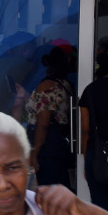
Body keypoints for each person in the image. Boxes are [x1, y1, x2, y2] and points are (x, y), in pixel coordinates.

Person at [80, 37, 108, 215]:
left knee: (101, 210)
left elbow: (85, 130)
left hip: (98, 157)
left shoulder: (91, 90)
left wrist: (84, 158)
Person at [25, 45, 75, 189]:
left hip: (46, 148)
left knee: (46, 191)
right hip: (60, 146)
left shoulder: (46, 86)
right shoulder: (65, 84)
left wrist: (34, 152)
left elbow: (44, 123)